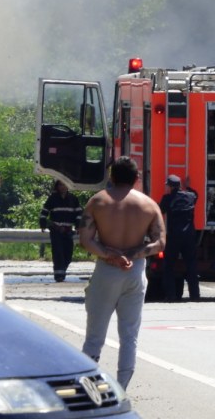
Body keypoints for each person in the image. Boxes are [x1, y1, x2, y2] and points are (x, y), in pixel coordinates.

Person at [79, 156, 165, 390]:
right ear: (137, 178)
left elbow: (85, 240)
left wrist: (110, 254)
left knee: (94, 336)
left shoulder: (98, 201)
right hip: (135, 271)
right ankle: (123, 387)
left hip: (107, 269)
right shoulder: (149, 205)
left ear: (112, 176)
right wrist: (133, 254)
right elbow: (159, 243)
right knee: (129, 336)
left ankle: (88, 387)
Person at [159, 174, 200, 301]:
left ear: (170, 187)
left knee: (169, 266)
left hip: (174, 237)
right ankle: (195, 295)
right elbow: (196, 195)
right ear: (179, 185)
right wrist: (188, 186)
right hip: (189, 236)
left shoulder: (167, 198)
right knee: (191, 266)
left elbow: (160, 211)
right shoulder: (190, 196)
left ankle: (171, 295)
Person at [39, 179, 82, 282]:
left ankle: (62, 271)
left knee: (68, 254)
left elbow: (79, 214)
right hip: (56, 230)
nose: (63, 187)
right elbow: (44, 212)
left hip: (68, 230)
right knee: (58, 252)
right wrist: (43, 224)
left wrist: (78, 226)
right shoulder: (52, 199)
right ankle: (59, 276)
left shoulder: (73, 199)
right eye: (60, 185)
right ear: (57, 186)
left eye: (64, 184)